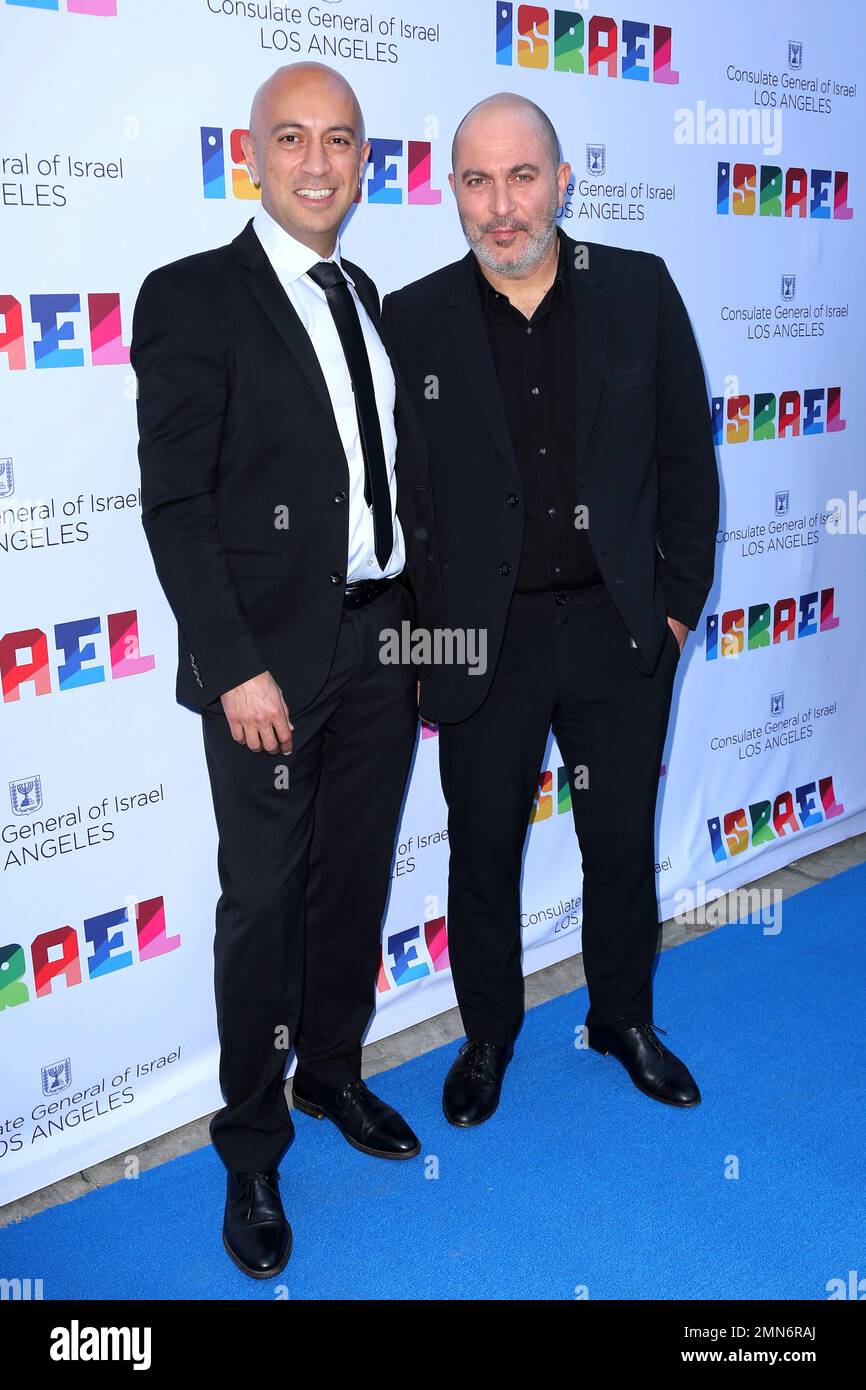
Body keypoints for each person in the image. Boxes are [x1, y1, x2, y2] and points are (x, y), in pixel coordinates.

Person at [130, 61, 439, 1280]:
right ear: (252, 154)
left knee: (351, 881)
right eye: (295, 139)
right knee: (262, 907)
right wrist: (232, 669)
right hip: (265, 666)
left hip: (380, 645)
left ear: (365, 162)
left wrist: (412, 643)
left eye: (343, 142)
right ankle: (251, 1146)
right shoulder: (193, 296)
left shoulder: (364, 291)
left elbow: (386, 491)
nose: (321, 164)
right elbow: (173, 508)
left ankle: (333, 1075)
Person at [381, 92, 719, 1129]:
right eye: (476, 181)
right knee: (482, 846)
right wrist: (424, 648)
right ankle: (488, 1035)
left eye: (520, 176)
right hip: (483, 640)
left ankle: (621, 1017)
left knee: (617, 838)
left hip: (618, 626)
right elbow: (402, 504)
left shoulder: (636, 289)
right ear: (452, 192)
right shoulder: (412, 316)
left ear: (561, 181)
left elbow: (683, 463)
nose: (500, 205)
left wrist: (671, 612)